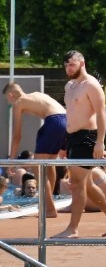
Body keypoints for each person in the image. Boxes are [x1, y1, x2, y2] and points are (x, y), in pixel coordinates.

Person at [52, 50, 106, 238]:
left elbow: (102, 113)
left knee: (77, 183)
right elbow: (71, 115)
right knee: (87, 184)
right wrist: (64, 144)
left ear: (82, 63)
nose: (68, 68)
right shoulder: (70, 86)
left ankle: (73, 228)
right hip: (72, 138)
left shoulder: (91, 85)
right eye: (66, 65)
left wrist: (100, 142)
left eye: (72, 64)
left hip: (87, 138)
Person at [4, 82, 67, 218]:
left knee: (37, 166)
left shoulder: (18, 102)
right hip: (65, 119)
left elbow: (16, 136)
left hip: (53, 122)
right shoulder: (37, 94)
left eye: (7, 100)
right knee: (48, 165)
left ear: (11, 95)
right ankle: (48, 204)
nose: (9, 103)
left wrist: (11, 161)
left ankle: (49, 209)